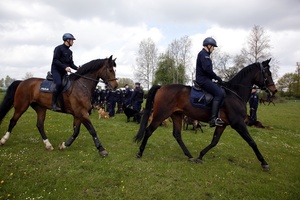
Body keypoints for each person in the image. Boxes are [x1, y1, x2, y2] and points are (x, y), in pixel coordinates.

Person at [195, 37, 225, 127]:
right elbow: (207, 69)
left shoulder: (204, 54)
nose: (213, 49)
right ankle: (213, 119)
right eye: (213, 47)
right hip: (203, 80)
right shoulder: (204, 54)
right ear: (208, 46)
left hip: (205, 79)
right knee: (219, 93)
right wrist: (216, 77)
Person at [51, 33, 78, 111]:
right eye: (72, 40)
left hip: (64, 72)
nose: (73, 42)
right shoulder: (58, 48)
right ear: (67, 40)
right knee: (59, 83)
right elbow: (55, 60)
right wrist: (65, 67)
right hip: (56, 70)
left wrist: (77, 68)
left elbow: (71, 63)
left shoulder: (70, 52)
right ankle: (53, 104)